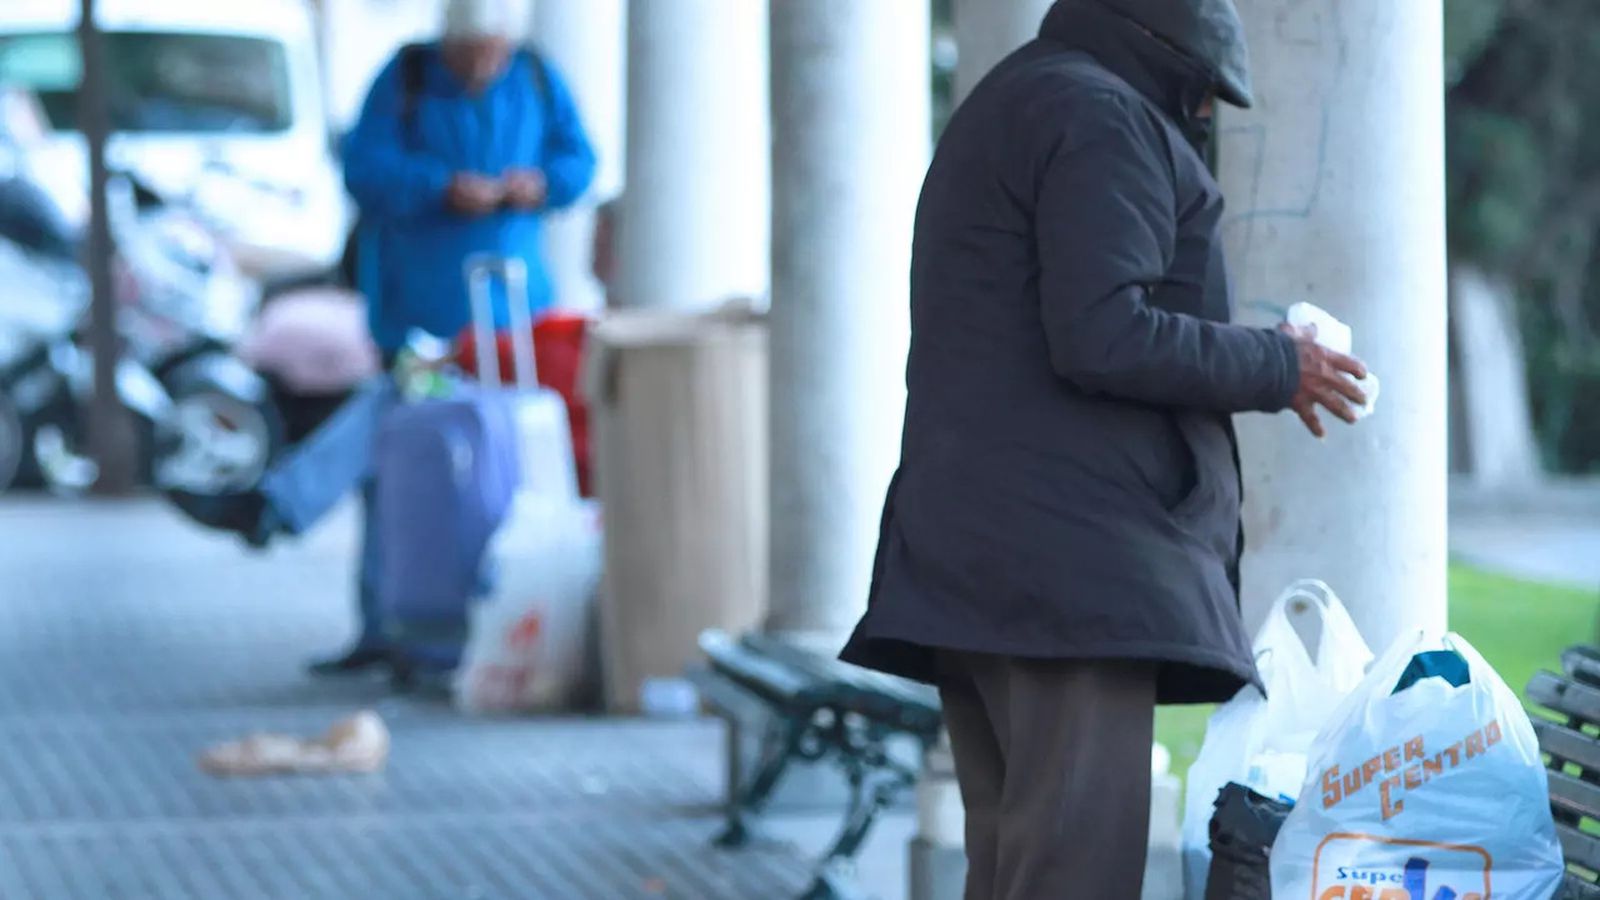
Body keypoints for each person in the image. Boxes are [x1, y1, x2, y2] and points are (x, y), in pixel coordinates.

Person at [838, 1, 1368, 897]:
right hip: (1067, 580)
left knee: (1015, 867)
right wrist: (1278, 364)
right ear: (1162, 48)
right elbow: (1102, 333)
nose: (1202, 115)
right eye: (1203, 90)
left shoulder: (1021, 96)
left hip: (989, 561)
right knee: (1072, 874)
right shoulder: (1104, 115)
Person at [312, 0, 596, 676]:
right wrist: (442, 188)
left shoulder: (535, 77)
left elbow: (580, 162)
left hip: (514, 318)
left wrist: (541, 184)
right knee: (399, 461)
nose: (483, 67)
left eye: (493, 53)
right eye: (470, 54)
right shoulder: (405, 77)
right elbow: (365, 170)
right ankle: (389, 620)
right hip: (420, 312)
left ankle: (491, 614)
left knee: (507, 467)